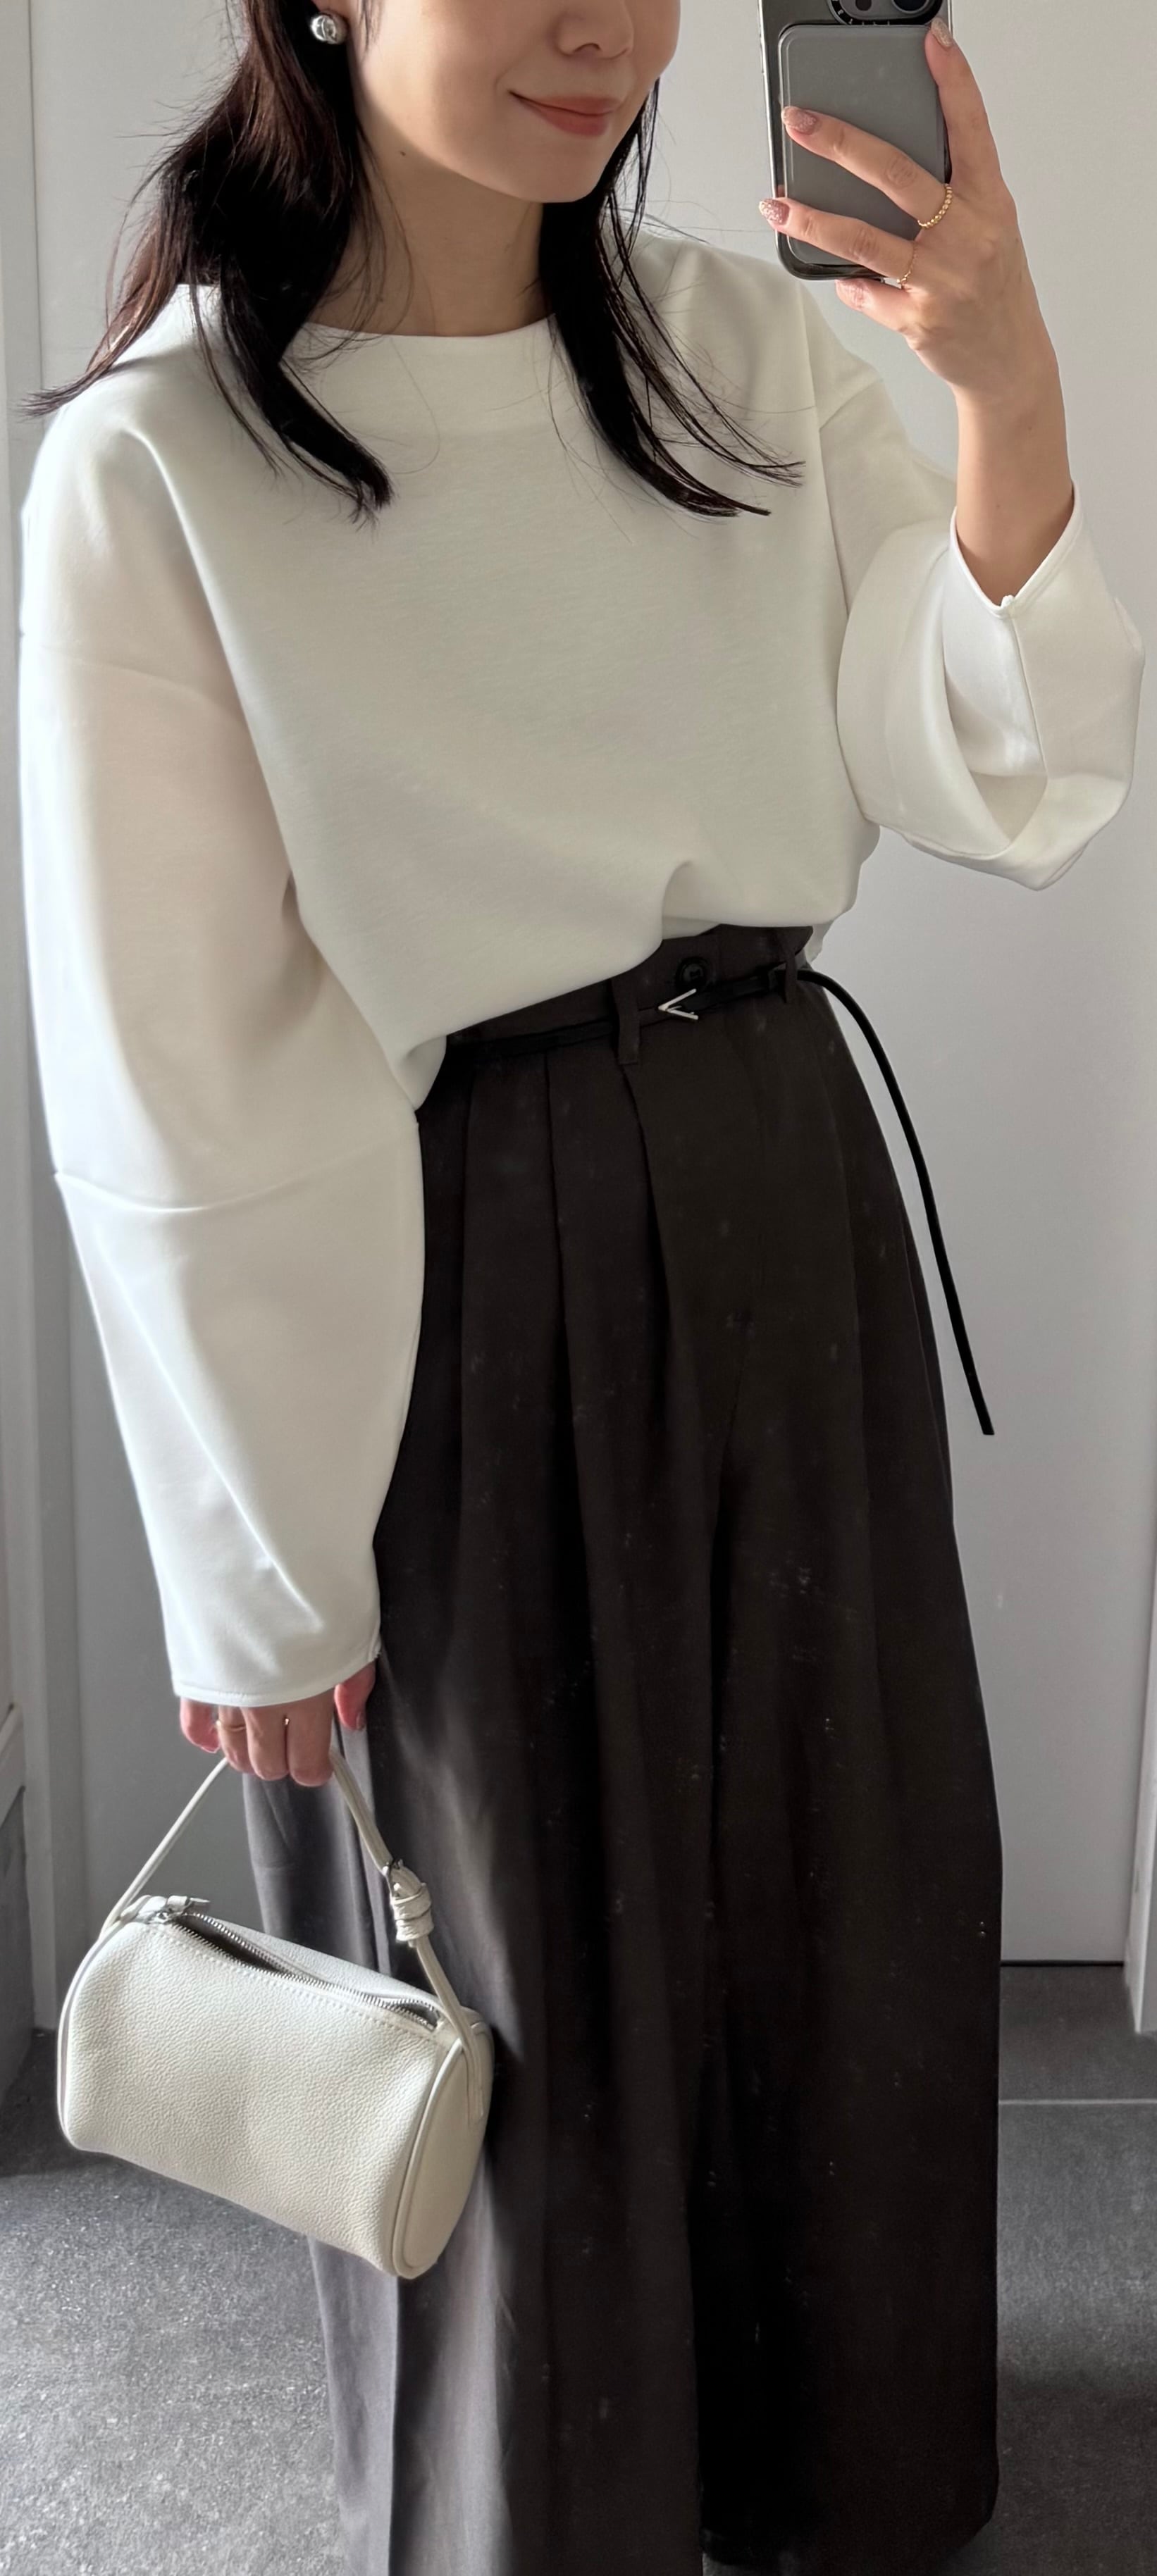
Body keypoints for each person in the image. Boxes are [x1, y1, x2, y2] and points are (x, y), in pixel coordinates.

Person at [16, 4, 1144, 2572]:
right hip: (441, 1251)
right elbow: (176, 1083)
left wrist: (1002, 381)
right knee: (518, 1943)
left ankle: (842, 2454)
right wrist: (253, 1560)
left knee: (837, 1863)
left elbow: (990, 763)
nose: (596, 29)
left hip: (778, 1184)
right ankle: (548, 2502)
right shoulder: (162, 465)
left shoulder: (740, 350)